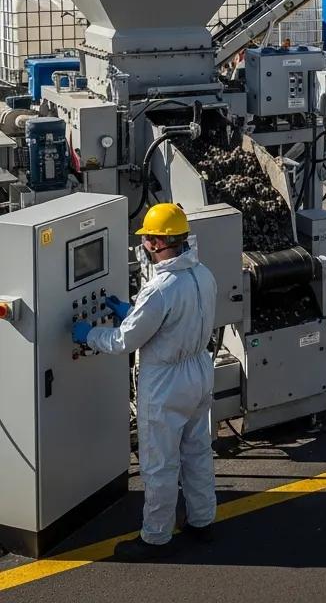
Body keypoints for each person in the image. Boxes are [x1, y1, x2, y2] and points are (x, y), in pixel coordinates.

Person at [72, 203, 218, 561]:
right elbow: (172, 321)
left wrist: (88, 334)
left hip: (166, 382)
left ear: (161, 242)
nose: (147, 244)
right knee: (197, 452)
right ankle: (202, 520)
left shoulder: (160, 288)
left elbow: (124, 341)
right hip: (199, 370)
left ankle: (155, 538)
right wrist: (133, 310)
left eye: (149, 238)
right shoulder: (203, 274)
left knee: (160, 464)